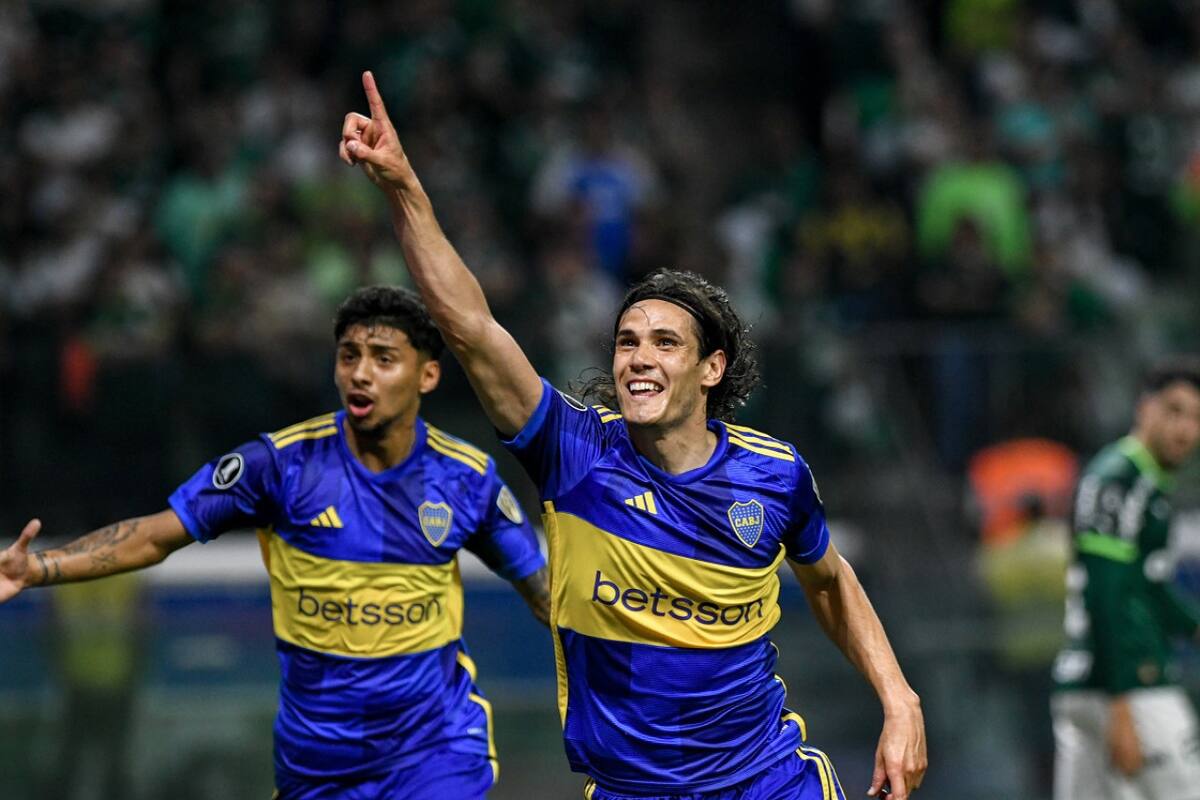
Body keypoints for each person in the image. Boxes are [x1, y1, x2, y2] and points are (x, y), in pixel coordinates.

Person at [340, 70, 926, 800]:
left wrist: (900, 700)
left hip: (767, 782)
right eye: (626, 342)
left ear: (712, 368)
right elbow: (472, 329)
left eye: (664, 343)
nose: (638, 358)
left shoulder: (775, 476)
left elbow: (831, 581)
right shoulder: (574, 453)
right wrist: (404, 188)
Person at [0, 285, 549, 800]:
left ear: (427, 375)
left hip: (435, 749)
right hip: (317, 761)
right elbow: (152, 537)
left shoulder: (467, 479)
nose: (360, 373)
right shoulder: (281, 466)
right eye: (349, 356)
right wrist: (35, 569)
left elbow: (548, 596)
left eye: (384, 359)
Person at [1051, 358, 1200, 800]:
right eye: (1175, 411)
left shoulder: (1142, 482)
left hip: (1082, 681)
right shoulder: (1120, 479)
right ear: (1144, 408)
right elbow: (1106, 594)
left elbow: (1146, 587)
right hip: (1130, 683)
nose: (1186, 430)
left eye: (1196, 419)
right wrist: (1121, 704)